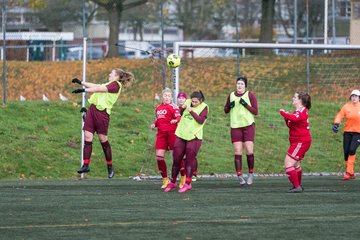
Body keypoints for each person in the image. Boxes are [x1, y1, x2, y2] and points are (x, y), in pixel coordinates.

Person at [71, 68, 135, 178]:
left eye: (112, 73)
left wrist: (83, 90)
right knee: (87, 136)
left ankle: (110, 166)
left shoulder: (115, 85)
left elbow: (99, 89)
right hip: (92, 110)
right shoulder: (109, 83)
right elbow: (96, 85)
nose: (109, 74)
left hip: (102, 114)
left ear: (117, 77)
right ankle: (86, 165)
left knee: (103, 140)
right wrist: (81, 82)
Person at [165, 91, 209, 193]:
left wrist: (191, 111)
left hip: (194, 136)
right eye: (192, 101)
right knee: (176, 159)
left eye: (196, 102)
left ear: (200, 101)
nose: (193, 103)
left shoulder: (204, 107)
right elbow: (179, 114)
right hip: (181, 134)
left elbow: (201, 121)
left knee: (189, 160)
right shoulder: (188, 102)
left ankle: (188, 183)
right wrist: (182, 108)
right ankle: (173, 182)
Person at [224, 76, 258, 186]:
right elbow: (226, 110)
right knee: (237, 151)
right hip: (235, 126)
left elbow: (255, 111)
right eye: (238, 83)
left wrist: (246, 105)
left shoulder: (250, 95)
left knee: (249, 150)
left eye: (241, 84)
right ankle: (239, 176)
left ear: (245, 86)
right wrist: (229, 106)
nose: (239, 85)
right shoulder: (231, 95)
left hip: (248, 126)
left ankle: (251, 174)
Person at [280, 91, 312, 193]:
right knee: (296, 164)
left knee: (288, 163)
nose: (293, 98)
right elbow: (291, 124)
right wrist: (286, 117)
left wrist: (283, 113)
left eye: (295, 97)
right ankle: (298, 185)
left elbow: (294, 118)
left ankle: (297, 186)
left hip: (300, 142)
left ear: (300, 100)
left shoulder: (301, 111)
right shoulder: (298, 111)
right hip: (298, 141)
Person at [151, 88, 181, 189]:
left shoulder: (174, 107)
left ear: (171, 97)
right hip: (161, 135)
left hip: (172, 134)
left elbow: (179, 117)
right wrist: (154, 124)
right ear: (162, 97)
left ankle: (183, 178)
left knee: (176, 157)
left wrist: (175, 120)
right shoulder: (158, 108)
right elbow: (158, 120)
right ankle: (165, 179)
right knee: (159, 157)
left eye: (169, 96)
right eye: (165, 95)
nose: (167, 97)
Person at [332, 89, 360, 180]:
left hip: (358, 133)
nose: (354, 98)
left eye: (356, 96)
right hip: (347, 132)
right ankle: (351, 173)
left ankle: (347, 173)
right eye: (352, 96)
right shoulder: (346, 106)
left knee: (352, 150)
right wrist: (336, 123)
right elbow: (340, 115)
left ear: (359, 97)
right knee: (346, 153)